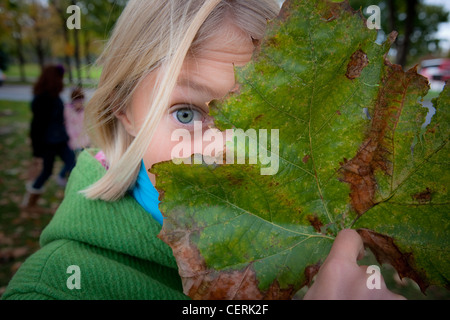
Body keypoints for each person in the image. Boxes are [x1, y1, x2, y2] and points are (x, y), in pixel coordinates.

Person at [3, 0, 404, 300]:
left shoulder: (302, 262)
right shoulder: (57, 287)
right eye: (186, 113)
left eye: (260, 119)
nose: (225, 150)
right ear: (123, 110)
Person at [21, 65, 76, 208]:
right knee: (47, 171)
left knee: (73, 164)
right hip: (48, 143)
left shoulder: (55, 96)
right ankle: (30, 200)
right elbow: (36, 127)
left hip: (61, 141)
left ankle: (75, 199)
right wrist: (37, 151)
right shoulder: (41, 99)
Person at [57, 87, 90, 186]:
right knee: (71, 161)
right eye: (77, 101)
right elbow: (66, 124)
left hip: (84, 139)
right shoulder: (67, 110)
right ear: (73, 101)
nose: (79, 104)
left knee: (85, 159)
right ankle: (62, 176)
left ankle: (82, 177)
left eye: (81, 101)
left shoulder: (84, 111)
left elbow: (86, 125)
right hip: (72, 140)